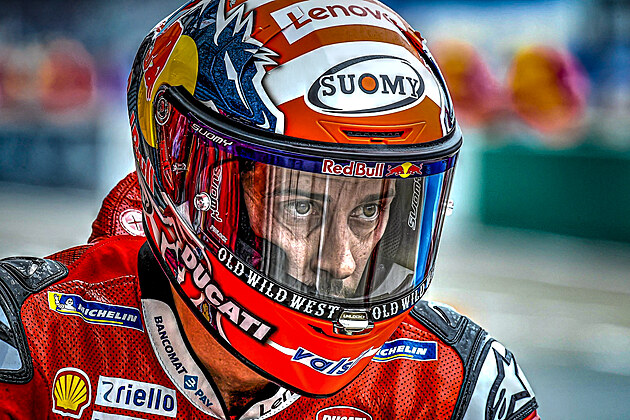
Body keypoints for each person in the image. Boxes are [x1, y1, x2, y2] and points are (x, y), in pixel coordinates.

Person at [0, 0, 540, 419]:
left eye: (369, 211)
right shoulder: (30, 337)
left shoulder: (455, 387)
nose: (342, 262)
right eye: (300, 206)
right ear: (186, 173)